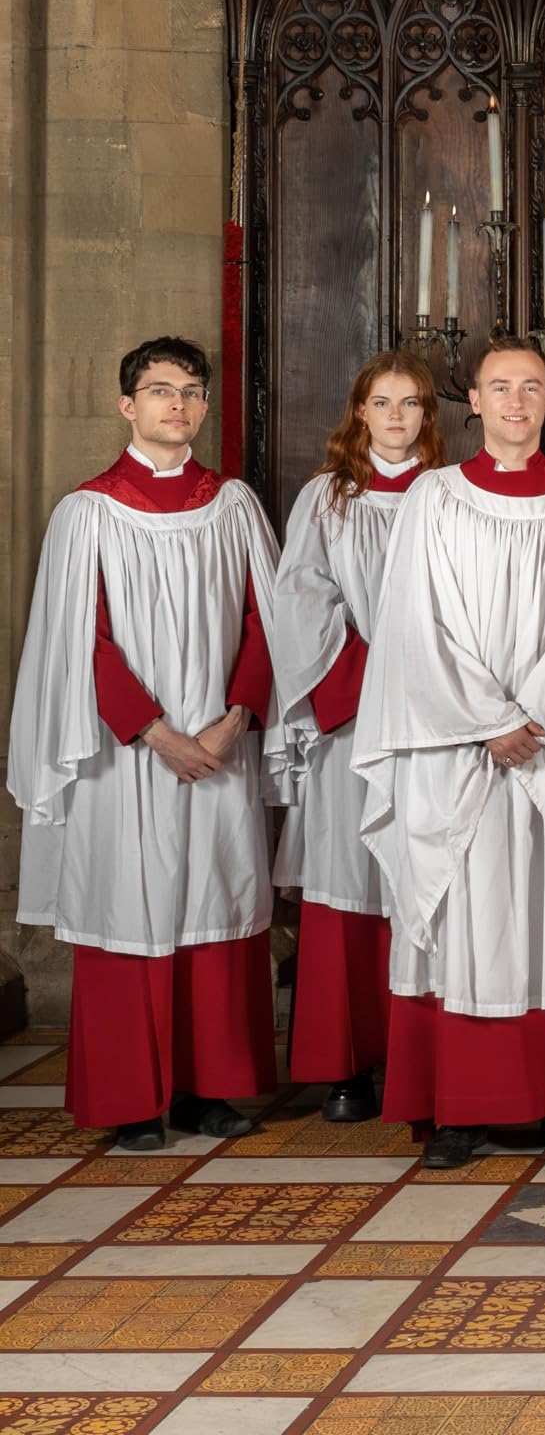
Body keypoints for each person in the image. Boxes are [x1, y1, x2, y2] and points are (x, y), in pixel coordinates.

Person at [355, 338, 545, 1167]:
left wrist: (533, 718)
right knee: (466, 916)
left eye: (531, 387)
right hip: (459, 750)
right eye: (499, 388)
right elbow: (415, 621)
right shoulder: (434, 498)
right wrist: (487, 720)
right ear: (472, 402)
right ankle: (460, 1109)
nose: (516, 402)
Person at [9, 337, 281, 1150]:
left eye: (192, 390)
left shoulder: (232, 505)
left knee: (216, 900)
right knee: (129, 906)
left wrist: (236, 719)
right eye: (161, 390)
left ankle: (209, 1089)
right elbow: (78, 642)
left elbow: (267, 620)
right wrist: (155, 732)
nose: (178, 404)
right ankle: (131, 1099)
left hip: (220, 744)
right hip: (125, 753)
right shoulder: (89, 512)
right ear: (128, 405)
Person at [268, 348, 444, 1125]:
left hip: (437, 723)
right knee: (348, 883)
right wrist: (376, 678)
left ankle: (421, 1055)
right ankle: (346, 1068)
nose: (396, 417)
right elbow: (301, 602)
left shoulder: (451, 494)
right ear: (359, 412)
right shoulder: (328, 497)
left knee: (425, 882)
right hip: (352, 722)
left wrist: (432, 683)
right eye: (382, 403)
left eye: (410, 403)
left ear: (428, 415)